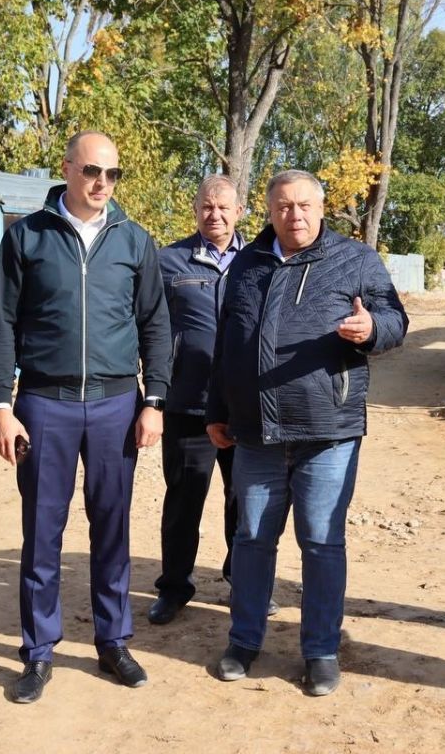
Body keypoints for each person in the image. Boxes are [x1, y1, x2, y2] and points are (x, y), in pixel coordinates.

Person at [206, 169, 408, 696]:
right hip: (256, 434)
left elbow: (394, 320)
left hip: (328, 432)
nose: (294, 216)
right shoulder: (247, 264)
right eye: (283, 207)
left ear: (321, 209)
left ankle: (320, 650)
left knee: (321, 542)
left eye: (303, 206)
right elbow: (227, 343)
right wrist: (216, 408)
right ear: (268, 211)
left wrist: (371, 331)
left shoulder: (356, 260)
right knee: (250, 540)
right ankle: (244, 640)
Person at [0, 130, 172, 703]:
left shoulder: (135, 241)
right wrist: (0, 404)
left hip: (118, 403)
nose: (101, 184)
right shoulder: (27, 238)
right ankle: (39, 652)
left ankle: (113, 641)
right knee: (42, 531)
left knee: (112, 528)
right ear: (66, 168)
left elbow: (156, 326)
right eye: (92, 171)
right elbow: (3, 325)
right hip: (45, 403)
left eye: (112, 175)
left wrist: (154, 401)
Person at [149, 174, 283, 625]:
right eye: (207, 206)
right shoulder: (169, 262)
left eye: (225, 207)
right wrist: (153, 393)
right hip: (188, 403)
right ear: (195, 209)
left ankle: (244, 582)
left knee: (245, 501)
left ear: (241, 211)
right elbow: (148, 327)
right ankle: (173, 587)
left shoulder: (262, 262)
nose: (216, 214)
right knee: (183, 501)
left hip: (245, 407)